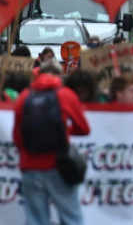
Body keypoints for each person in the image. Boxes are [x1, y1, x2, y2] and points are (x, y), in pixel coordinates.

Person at [13, 62, 91, 225]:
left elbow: (18, 138)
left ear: (37, 75)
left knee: (36, 220)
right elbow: (84, 128)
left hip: (31, 167)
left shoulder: (23, 97)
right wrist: (64, 131)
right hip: (59, 166)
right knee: (71, 217)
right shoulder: (65, 94)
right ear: (59, 76)